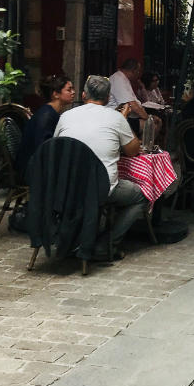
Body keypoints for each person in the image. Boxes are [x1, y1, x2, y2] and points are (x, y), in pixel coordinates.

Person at [54, 75, 148, 255]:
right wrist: (123, 119)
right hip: (101, 187)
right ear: (107, 98)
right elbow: (133, 151)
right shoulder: (115, 118)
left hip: (67, 187)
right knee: (142, 195)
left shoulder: (65, 116)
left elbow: (56, 146)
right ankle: (107, 243)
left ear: (83, 95)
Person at [16, 74, 76, 179]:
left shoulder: (51, 112)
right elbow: (43, 148)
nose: (73, 92)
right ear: (56, 94)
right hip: (32, 169)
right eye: (69, 90)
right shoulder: (46, 116)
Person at [107, 58, 150, 134]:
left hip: (126, 117)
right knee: (151, 125)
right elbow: (132, 105)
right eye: (138, 71)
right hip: (118, 120)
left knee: (155, 121)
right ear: (134, 71)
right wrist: (148, 118)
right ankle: (139, 145)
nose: (139, 73)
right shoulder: (118, 79)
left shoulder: (123, 78)